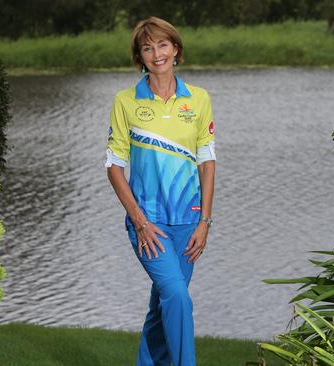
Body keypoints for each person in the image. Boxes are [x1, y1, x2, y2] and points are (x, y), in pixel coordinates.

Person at [105, 16, 216, 366]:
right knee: (178, 299)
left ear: (176, 49)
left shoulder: (198, 100)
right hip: (148, 225)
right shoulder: (125, 102)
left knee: (164, 304)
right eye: (148, 48)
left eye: (163, 45)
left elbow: (207, 163)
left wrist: (205, 223)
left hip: (188, 222)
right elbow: (113, 167)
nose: (157, 54)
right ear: (140, 57)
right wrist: (137, 220)